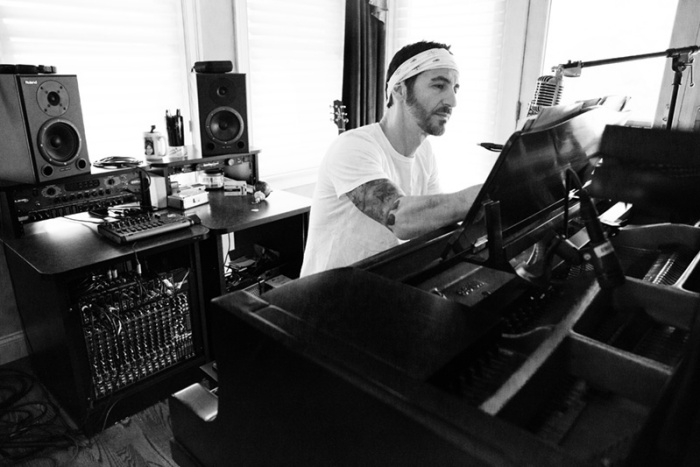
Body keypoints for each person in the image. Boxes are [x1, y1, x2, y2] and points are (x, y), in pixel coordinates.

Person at [300, 40, 481, 277]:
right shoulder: (353, 146)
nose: (452, 101)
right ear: (400, 89)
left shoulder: (425, 153)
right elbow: (399, 218)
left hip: (382, 283)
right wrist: (482, 195)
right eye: (439, 86)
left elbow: (433, 225)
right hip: (328, 293)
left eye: (455, 89)